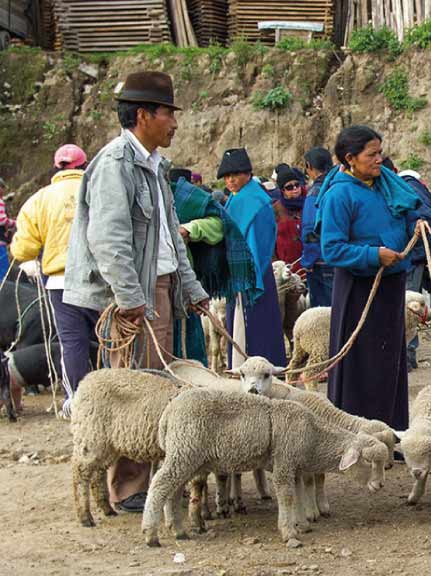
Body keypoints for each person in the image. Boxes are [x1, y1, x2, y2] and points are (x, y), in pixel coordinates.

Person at [63, 71, 209, 513]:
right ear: (144, 115)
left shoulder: (152, 168)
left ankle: (149, 479)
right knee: (137, 392)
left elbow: (168, 238)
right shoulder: (114, 165)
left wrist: (193, 288)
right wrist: (129, 297)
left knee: (157, 385)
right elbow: (108, 239)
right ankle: (128, 488)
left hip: (157, 290)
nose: (175, 124)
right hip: (138, 297)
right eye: (169, 113)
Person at [318, 125, 422, 430]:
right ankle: (358, 433)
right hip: (360, 289)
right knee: (361, 365)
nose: (379, 160)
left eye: (380, 152)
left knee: (388, 361)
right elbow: (333, 249)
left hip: (390, 285)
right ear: (351, 158)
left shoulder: (384, 184)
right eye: (371, 154)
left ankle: (391, 429)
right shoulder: (340, 194)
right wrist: (374, 255)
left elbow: (407, 209)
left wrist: (416, 225)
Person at [10, 144, 93, 419]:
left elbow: (22, 250)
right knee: (108, 340)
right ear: (84, 165)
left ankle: (77, 402)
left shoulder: (39, 200)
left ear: (57, 168)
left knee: (72, 343)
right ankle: (111, 403)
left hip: (59, 281)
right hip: (101, 279)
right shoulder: (99, 188)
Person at [170, 171, 259, 367]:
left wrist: (190, 229)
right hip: (159, 288)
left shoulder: (190, 200)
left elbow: (219, 224)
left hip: (187, 286)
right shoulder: (153, 197)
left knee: (190, 346)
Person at [217, 148, 287, 370]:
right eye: (227, 176)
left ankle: (251, 374)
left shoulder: (253, 202)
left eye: (235, 175)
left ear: (247, 173)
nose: (230, 180)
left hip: (248, 275)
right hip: (243, 273)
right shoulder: (242, 199)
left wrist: (249, 277)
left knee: (249, 329)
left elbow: (258, 246)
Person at [396, 162, 431, 371]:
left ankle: (408, 355)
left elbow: (426, 217)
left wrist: (413, 232)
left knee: (410, 305)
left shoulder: (409, 187)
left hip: (413, 256)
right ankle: (405, 355)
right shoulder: (413, 187)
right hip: (411, 255)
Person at [300, 147, 335, 308]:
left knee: (324, 315)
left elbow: (310, 230)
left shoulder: (315, 193)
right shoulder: (340, 185)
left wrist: (308, 262)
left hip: (322, 263)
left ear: (309, 167)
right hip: (344, 258)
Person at [273, 165, 305, 272]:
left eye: (297, 185)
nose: (295, 188)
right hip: (287, 267)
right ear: (282, 190)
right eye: (289, 187)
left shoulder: (310, 203)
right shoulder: (276, 209)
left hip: (310, 263)